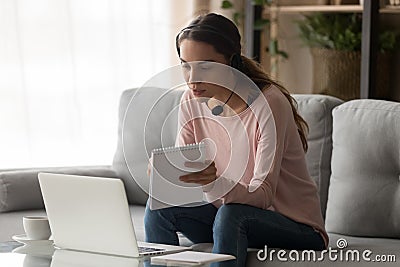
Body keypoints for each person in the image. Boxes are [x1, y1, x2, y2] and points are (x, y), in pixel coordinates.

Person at [144, 13, 328, 267]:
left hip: (295, 225)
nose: (193, 78)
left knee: (232, 215)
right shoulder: (191, 99)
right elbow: (187, 177)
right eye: (186, 65)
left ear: (231, 62)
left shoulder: (268, 103)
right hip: (227, 217)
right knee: (158, 208)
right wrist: (167, 174)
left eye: (206, 65)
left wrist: (214, 181)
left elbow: (263, 196)